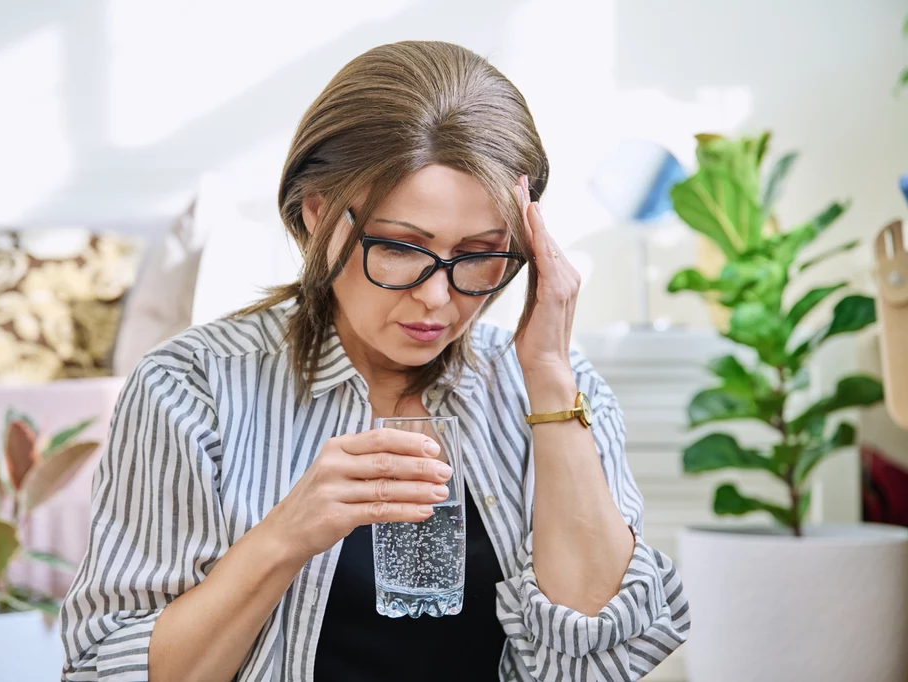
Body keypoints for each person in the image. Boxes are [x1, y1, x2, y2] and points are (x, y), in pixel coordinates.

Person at [60, 40, 689, 682]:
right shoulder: (194, 387)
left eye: (478, 254)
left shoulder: (557, 386)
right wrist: (285, 536)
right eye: (399, 247)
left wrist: (551, 378)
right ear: (317, 214)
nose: (437, 297)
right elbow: (104, 672)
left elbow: (597, 656)